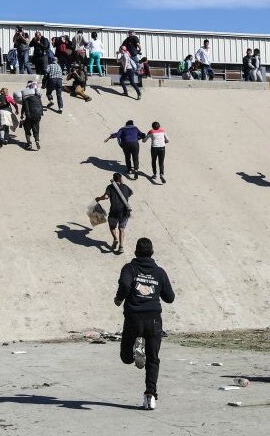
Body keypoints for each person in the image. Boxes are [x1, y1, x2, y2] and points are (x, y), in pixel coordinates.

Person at [114, 237, 175, 410]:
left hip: (133, 318)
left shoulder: (130, 268)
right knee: (153, 358)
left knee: (125, 358)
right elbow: (170, 298)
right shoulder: (159, 272)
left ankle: (134, 352)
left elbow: (125, 284)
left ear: (135, 251)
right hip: (154, 320)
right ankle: (150, 394)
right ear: (152, 252)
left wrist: (119, 298)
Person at [96, 173, 133, 254]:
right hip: (124, 211)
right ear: (121, 179)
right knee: (121, 229)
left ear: (113, 179)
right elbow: (131, 193)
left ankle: (115, 239)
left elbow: (105, 197)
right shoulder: (125, 186)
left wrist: (98, 198)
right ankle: (121, 247)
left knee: (112, 227)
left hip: (114, 211)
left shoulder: (110, 187)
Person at [20, 82, 44, 150]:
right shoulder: (38, 97)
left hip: (29, 116)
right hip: (37, 116)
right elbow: (41, 106)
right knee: (36, 128)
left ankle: (29, 143)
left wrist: (22, 116)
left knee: (27, 129)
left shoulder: (26, 98)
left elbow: (24, 108)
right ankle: (37, 141)